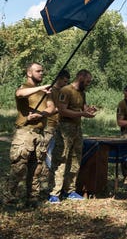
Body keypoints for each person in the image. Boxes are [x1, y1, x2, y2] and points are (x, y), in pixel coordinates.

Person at [2, 62, 55, 206]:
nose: (42, 73)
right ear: (29, 73)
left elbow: (52, 108)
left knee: (36, 168)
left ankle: (32, 198)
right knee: (19, 167)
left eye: (43, 71)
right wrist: (41, 88)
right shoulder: (24, 88)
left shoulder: (46, 92)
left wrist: (41, 114)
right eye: (38, 71)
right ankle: (9, 198)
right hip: (24, 133)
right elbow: (19, 94)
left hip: (40, 133)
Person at [49, 69, 97, 203]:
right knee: (61, 159)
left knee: (75, 159)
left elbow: (83, 108)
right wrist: (82, 114)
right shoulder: (66, 90)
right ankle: (54, 192)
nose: (88, 84)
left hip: (77, 129)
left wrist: (89, 111)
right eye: (87, 81)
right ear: (80, 77)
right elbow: (63, 111)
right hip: (65, 128)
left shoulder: (82, 92)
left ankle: (69, 190)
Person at [34, 69, 70, 193]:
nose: (65, 83)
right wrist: (61, 108)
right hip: (49, 127)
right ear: (59, 78)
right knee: (44, 155)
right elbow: (50, 108)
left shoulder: (64, 92)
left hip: (60, 127)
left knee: (56, 157)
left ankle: (52, 184)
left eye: (67, 82)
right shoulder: (50, 91)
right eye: (64, 81)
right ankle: (41, 185)